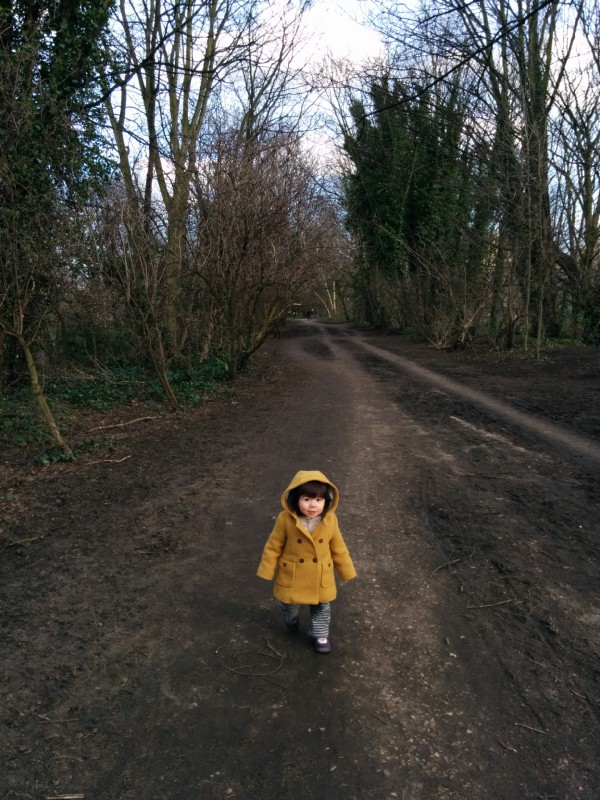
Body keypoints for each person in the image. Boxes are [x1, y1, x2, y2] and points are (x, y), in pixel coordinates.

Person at [256, 470, 357, 654]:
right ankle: (291, 620)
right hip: (293, 573)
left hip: (320, 575)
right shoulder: (285, 519)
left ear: (327, 501)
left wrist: (346, 570)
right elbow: (273, 546)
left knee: (322, 606)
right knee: (289, 604)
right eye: (307, 499)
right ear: (296, 499)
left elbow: (338, 547)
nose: (313, 505)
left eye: (319, 500)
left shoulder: (330, 520)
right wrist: (267, 569)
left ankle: (320, 635)